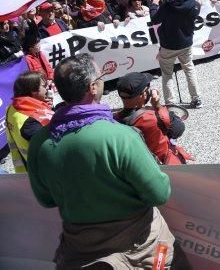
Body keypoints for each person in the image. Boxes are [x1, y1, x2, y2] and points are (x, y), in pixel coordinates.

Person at [26, 54, 175, 268]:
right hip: (142, 248)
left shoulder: (40, 142)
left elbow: (46, 199)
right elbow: (159, 193)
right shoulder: (121, 136)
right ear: (92, 87)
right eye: (101, 75)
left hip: (80, 249)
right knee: (162, 252)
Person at [114, 72, 193, 165]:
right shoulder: (155, 116)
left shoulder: (114, 120)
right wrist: (158, 106)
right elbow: (179, 129)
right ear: (143, 95)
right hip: (163, 166)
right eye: (148, 87)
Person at [151, 0, 203, 108]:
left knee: (167, 74)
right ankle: (196, 99)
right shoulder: (195, 4)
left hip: (168, 44)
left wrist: (153, 5)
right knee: (189, 69)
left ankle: (170, 102)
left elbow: (155, 19)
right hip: (186, 42)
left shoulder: (167, 3)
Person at [4, 71, 53, 173]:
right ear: (33, 91)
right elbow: (51, 149)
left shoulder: (11, 108)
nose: (47, 89)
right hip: (43, 173)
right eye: (44, 86)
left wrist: (44, 107)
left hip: (25, 169)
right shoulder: (31, 121)